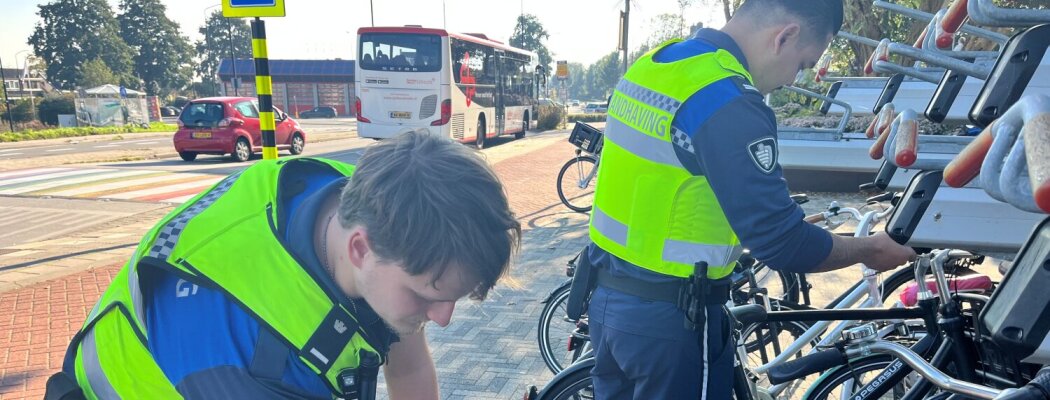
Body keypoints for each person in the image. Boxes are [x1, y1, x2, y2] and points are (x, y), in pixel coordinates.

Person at [584, 0, 917, 399]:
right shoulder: (729, 100)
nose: (793, 78)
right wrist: (870, 249)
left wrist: (759, 225)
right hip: (672, 326)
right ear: (786, 36)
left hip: (608, 305)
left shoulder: (656, 65)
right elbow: (783, 244)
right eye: (802, 64)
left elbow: (664, 188)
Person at [47, 129, 521, 400]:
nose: (443, 317)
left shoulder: (363, 205)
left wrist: (416, 300)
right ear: (360, 249)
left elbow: (411, 369)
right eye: (426, 296)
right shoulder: (242, 357)